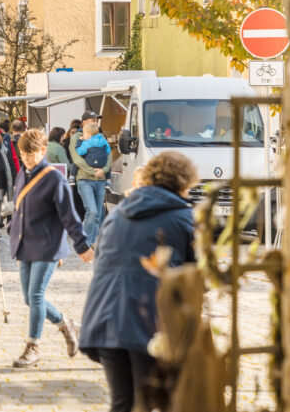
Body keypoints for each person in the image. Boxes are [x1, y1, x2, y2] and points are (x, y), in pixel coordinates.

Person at [79, 151, 196, 412]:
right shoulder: (183, 218)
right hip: (148, 321)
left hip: (106, 318)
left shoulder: (118, 214)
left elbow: (101, 266)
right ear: (183, 182)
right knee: (154, 401)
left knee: (124, 402)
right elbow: (195, 278)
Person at [8, 129, 94, 368]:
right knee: (29, 298)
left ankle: (33, 347)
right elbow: (19, 210)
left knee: (35, 295)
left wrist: (82, 245)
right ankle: (66, 324)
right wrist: (14, 239)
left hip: (47, 245)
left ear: (43, 151)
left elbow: (69, 216)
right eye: (23, 154)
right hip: (25, 244)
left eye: (31, 154)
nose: (26, 158)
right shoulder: (21, 175)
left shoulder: (54, 178)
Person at [70, 111, 113, 246]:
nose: (95, 122)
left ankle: (96, 242)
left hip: (100, 180)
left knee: (99, 213)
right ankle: (87, 242)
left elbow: (109, 155)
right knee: (92, 211)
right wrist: (92, 171)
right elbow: (77, 158)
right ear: (83, 122)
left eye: (96, 120)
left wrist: (104, 170)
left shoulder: (101, 136)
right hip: (85, 179)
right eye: (92, 120)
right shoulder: (78, 137)